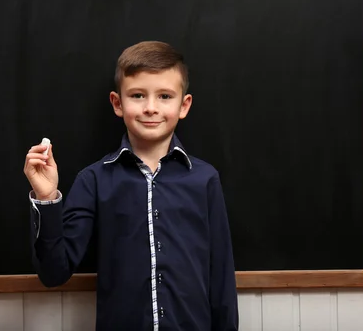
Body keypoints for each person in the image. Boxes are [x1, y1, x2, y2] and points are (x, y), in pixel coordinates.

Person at [23, 41, 239, 330]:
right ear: (117, 103)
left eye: (164, 96)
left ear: (183, 105)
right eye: (137, 95)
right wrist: (47, 197)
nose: (151, 108)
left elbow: (221, 277)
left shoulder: (204, 179)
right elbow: (53, 273)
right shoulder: (95, 180)